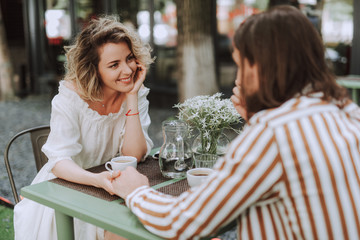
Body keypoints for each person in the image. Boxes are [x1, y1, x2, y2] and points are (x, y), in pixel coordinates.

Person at [111, 6, 360, 240]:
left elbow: (183, 221)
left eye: (241, 65)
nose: (238, 79)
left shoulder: (273, 131)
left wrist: (136, 191)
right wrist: (254, 118)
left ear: (260, 68)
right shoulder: (347, 110)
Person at [14, 16, 154, 240]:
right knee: (130, 231)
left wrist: (132, 98)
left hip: (109, 185)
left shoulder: (135, 91)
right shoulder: (70, 97)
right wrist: (98, 180)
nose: (127, 70)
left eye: (129, 59)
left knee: (147, 224)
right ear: (94, 69)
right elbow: (59, 161)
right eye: (114, 65)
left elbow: (133, 154)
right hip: (67, 189)